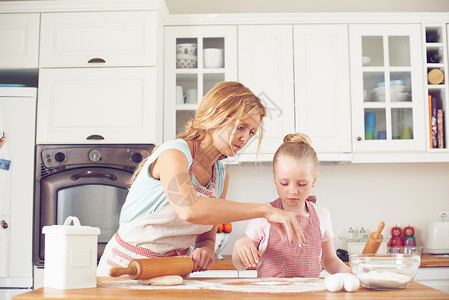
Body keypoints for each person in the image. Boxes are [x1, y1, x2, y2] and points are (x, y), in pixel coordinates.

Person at [97, 81, 305, 276]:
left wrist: (205, 249)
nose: (245, 138)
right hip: (124, 270)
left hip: (171, 273)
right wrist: (266, 210)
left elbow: (206, 237)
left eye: (251, 132)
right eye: (241, 127)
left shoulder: (221, 174)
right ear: (216, 116)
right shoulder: (173, 154)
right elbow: (189, 209)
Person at [232, 133, 351, 278]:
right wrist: (240, 245)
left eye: (302, 184)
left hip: (310, 295)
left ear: (313, 180)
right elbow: (240, 265)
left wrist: (353, 274)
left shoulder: (322, 216)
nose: (293, 191)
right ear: (275, 178)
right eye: (284, 183)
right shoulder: (262, 216)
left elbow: (329, 260)